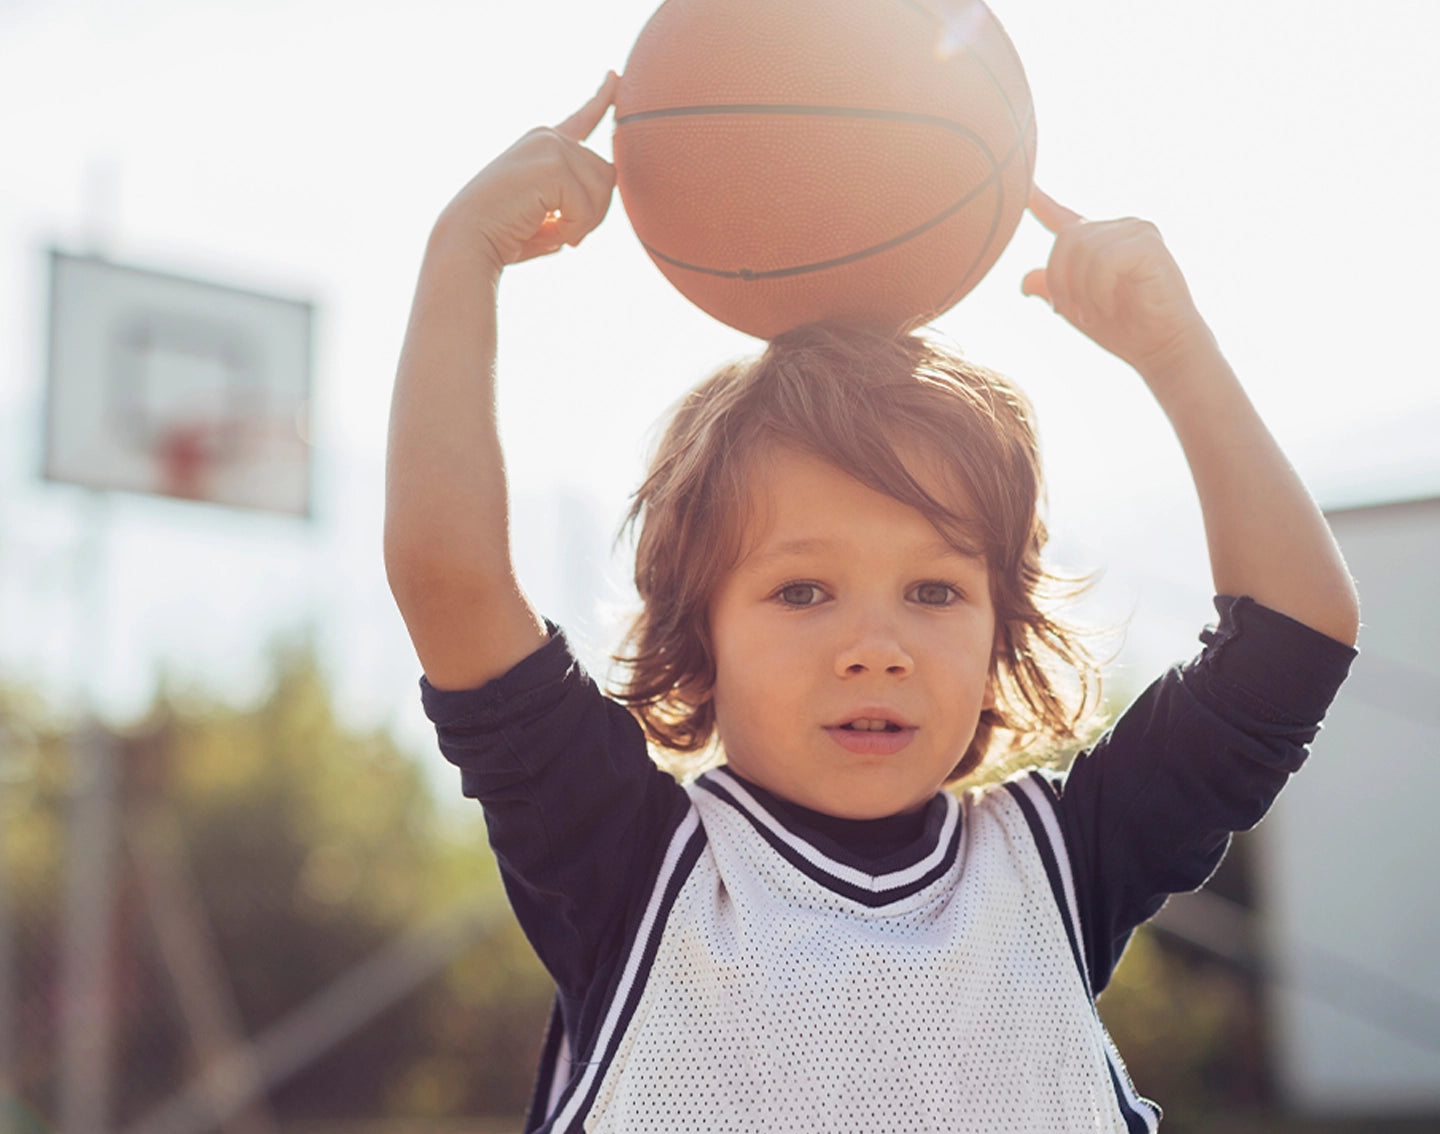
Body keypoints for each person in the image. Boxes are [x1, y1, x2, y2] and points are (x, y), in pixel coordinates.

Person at [386, 73, 1359, 1133]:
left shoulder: (1062, 862)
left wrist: (1178, 355)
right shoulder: (631, 864)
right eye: (801, 590)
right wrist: (463, 255)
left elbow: (1294, 641)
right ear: (699, 636)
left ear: (1001, 637)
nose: (875, 647)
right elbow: (452, 581)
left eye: (935, 590)